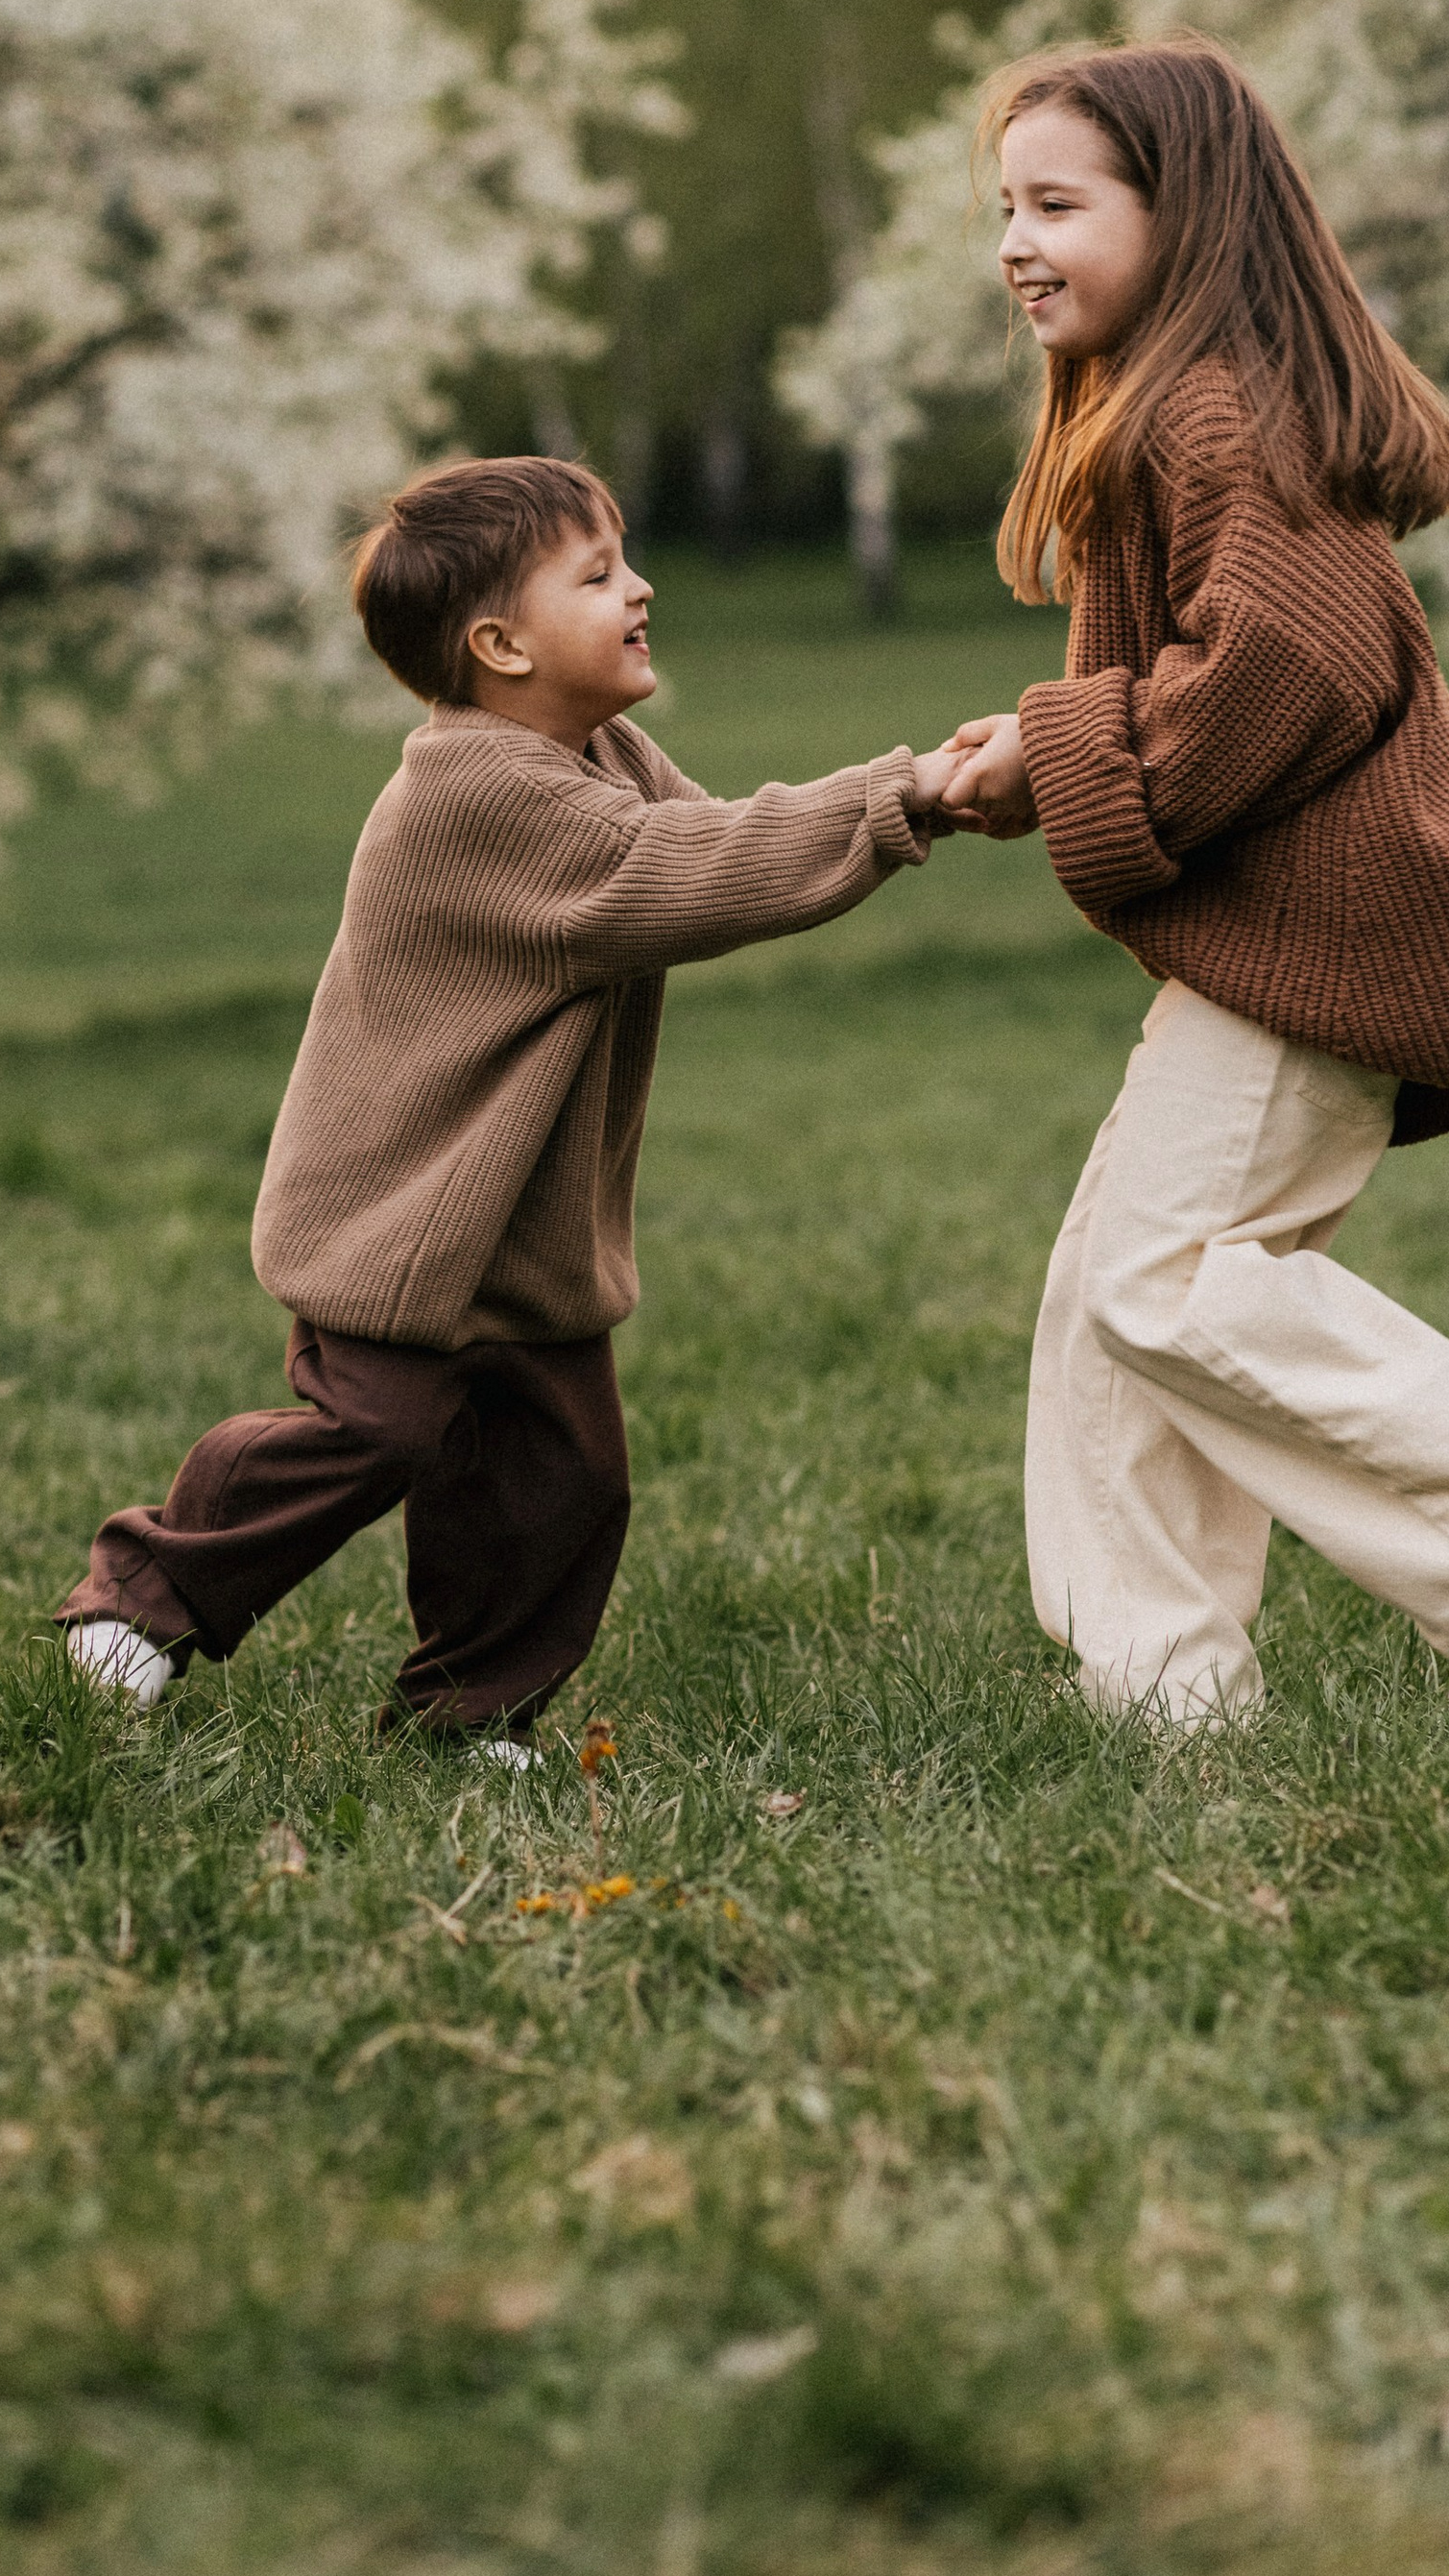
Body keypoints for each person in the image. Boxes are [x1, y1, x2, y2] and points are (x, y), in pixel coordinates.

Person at [937, 37, 1449, 1726]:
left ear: (1179, 214)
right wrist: (1054, 750)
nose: (1016, 244)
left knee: (1160, 1283)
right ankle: (1169, 1697)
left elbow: (1288, 663)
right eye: (1007, 210)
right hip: (1280, 947)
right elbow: (1217, 673)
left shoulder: (1219, 408)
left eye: (1059, 203)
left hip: (1327, 943)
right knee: (1111, 1299)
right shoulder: (1178, 403)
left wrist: (1062, 756)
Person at [56, 455, 964, 1749]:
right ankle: (141, 1600)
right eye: (599, 575)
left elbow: (720, 850)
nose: (641, 588)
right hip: (404, 1220)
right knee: (370, 1436)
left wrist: (917, 802)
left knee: (562, 1484)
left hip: (517, 1235)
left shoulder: (596, 749)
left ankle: (467, 1721)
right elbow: (677, 870)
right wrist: (904, 794)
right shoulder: (474, 792)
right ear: (499, 644)